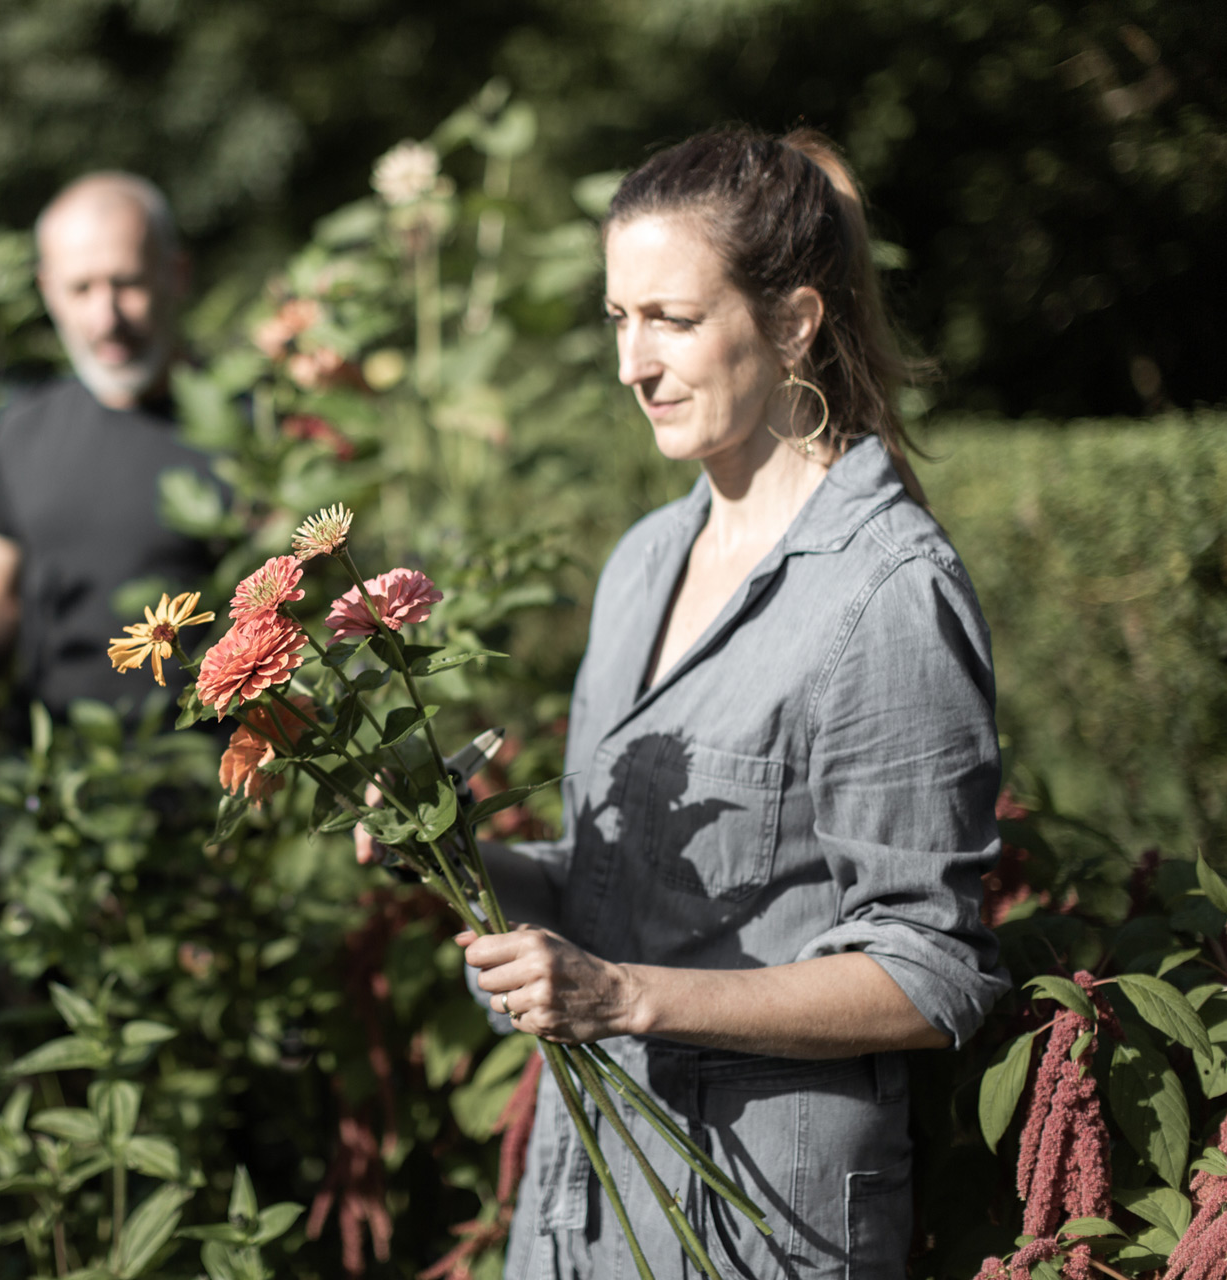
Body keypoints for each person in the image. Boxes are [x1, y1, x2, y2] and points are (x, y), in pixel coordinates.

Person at [364, 129, 1008, 1277]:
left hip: (762, 1216)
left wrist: (623, 996)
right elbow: (612, 891)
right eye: (619, 319)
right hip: (587, 1199)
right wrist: (445, 845)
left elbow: (930, 972)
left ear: (796, 321)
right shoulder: (646, 560)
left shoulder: (889, 593)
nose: (632, 362)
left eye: (671, 317)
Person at [0, 172, 220, 727]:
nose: (107, 318)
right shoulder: (24, 429)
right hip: (60, 785)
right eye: (81, 289)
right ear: (48, 290)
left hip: (223, 787)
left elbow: (315, 605)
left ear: (177, 275)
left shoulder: (250, 424)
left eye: (127, 283)